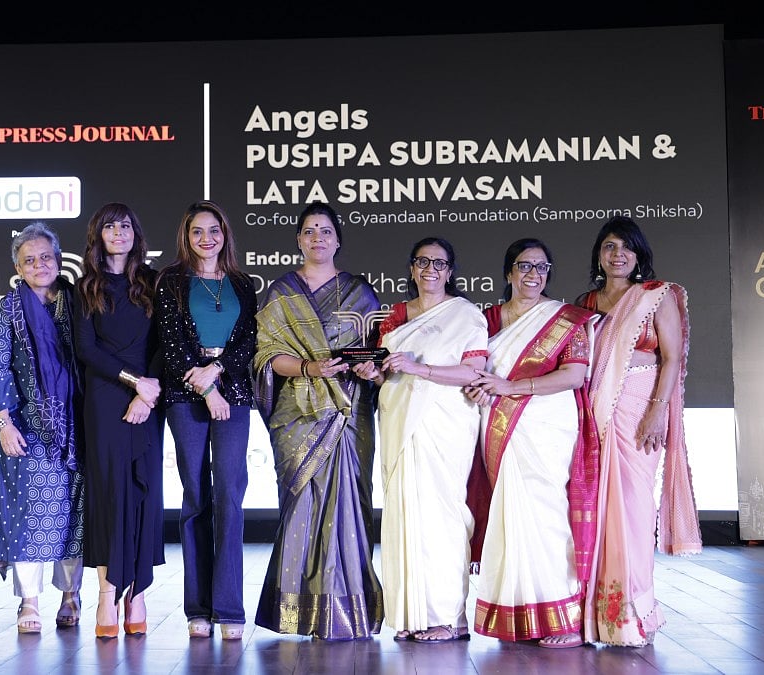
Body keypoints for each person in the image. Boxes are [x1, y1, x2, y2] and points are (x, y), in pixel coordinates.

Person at [252, 202, 385, 641]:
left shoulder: (360, 293)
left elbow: (374, 354)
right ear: (298, 239)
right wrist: (311, 369)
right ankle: (296, 613)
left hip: (347, 413)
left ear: (338, 239)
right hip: (298, 415)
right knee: (303, 505)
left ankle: (349, 610)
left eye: (325, 231)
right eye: (309, 231)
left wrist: (368, 370)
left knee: (348, 504)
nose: (317, 239)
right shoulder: (280, 293)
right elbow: (267, 356)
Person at [463, 238, 600, 648]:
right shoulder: (485, 319)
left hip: (545, 424)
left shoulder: (566, 319)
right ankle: (521, 617)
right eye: (524, 266)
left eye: (541, 268)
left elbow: (574, 376)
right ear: (508, 273)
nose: (533, 275)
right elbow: (471, 369)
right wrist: (478, 388)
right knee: (509, 517)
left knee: (546, 515)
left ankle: (564, 619)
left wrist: (511, 386)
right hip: (500, 425)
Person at [354, 236, 490, 644]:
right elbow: (384, 370)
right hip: (398, 417)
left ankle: (450, 616)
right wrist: (372, 374)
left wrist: (421, 368)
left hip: (445, 421)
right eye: (423, 262)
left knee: (443, 514)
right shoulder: (396, 315)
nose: (431, 269)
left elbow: (472, 373)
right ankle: (412, 615)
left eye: (440, 263)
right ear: (412, 269)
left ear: (450, 271)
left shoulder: (466, 316)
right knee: (403, 514)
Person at [575, 215, 702, 647]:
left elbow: (671, 358)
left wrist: (656, 413)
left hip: (639, 411)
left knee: (632, 510)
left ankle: (630, 615)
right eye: (609, 246)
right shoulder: (586, 303)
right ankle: (595, 616)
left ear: (638, 255)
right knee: (596, 512)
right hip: (593, 413)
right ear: (598, 253)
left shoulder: (655, 297)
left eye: (626, 247)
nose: (617, 255)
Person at [154, 200, 258, 640]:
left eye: (213, 230)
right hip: (185, 394)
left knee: (230, 495)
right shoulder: (171, 282)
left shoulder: (240, 282)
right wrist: (205, 388)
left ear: (224, 234)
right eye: (197, 231)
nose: (206, 239)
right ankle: (198, 607)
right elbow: (171, 344)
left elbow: (250, 338)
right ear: (186, 236)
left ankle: (229, 608)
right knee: (196, 495)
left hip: (232, 390)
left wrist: (216, 376)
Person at [0, 222, 85, 634]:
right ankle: (29, 601)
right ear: (18, 268)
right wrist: (3, 421)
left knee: (73, 517)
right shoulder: (8, 309)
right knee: (30, 516)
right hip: (26, 428)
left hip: (78, 427)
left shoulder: (78, 303)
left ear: (59, 261)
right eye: (29, 260)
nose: (39, 265)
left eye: (46, 257)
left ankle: (71, 594)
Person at [72, 203, 166, 639]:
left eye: (126, 225)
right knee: (110, 495)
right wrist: (132, 383)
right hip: (106, 397)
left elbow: (167, 343)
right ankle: (107, 592)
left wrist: (147, 394)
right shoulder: (84, 286)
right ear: (98, 235)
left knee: (145, 492)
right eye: (111, 226)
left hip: (150, 396)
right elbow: (87, 350)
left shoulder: (154, 282)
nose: (119, 232)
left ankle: (139, 594)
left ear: (136, 233)